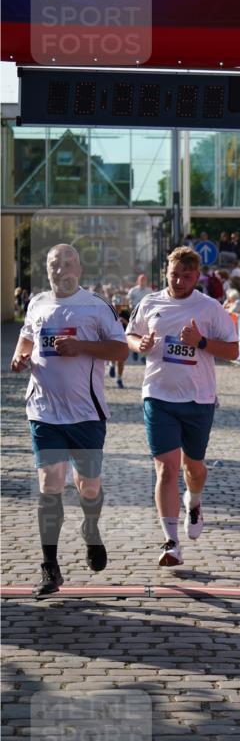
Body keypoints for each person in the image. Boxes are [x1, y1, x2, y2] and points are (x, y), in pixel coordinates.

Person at [10, 243, 129, 596]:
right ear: (47, 269)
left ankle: (90, 528)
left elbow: (120, 349)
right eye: (54, 263)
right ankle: (50, 567)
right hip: (44, 411)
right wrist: (19, 358)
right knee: (50, 484)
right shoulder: (37, 303)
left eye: (68, 262)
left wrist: (82, 347)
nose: (61, 268)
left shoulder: (95, 306)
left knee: (88, 486)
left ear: (79, 267)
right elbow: (26, 341)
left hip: (86, 413)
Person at [126, 246, 239, 567]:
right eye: (174, 274)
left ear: (197, 276)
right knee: (166, 468)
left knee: (194, 468)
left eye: (186, 276)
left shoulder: (210, 308)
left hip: (198, 399)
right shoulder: (150, 302)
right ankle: (171, 541)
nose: (178, 281)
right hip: (158, 396)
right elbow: (131, 336)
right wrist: (141, 344)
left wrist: (201, 342)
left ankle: (196, 501)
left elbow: (232, 351)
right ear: (167, 271)